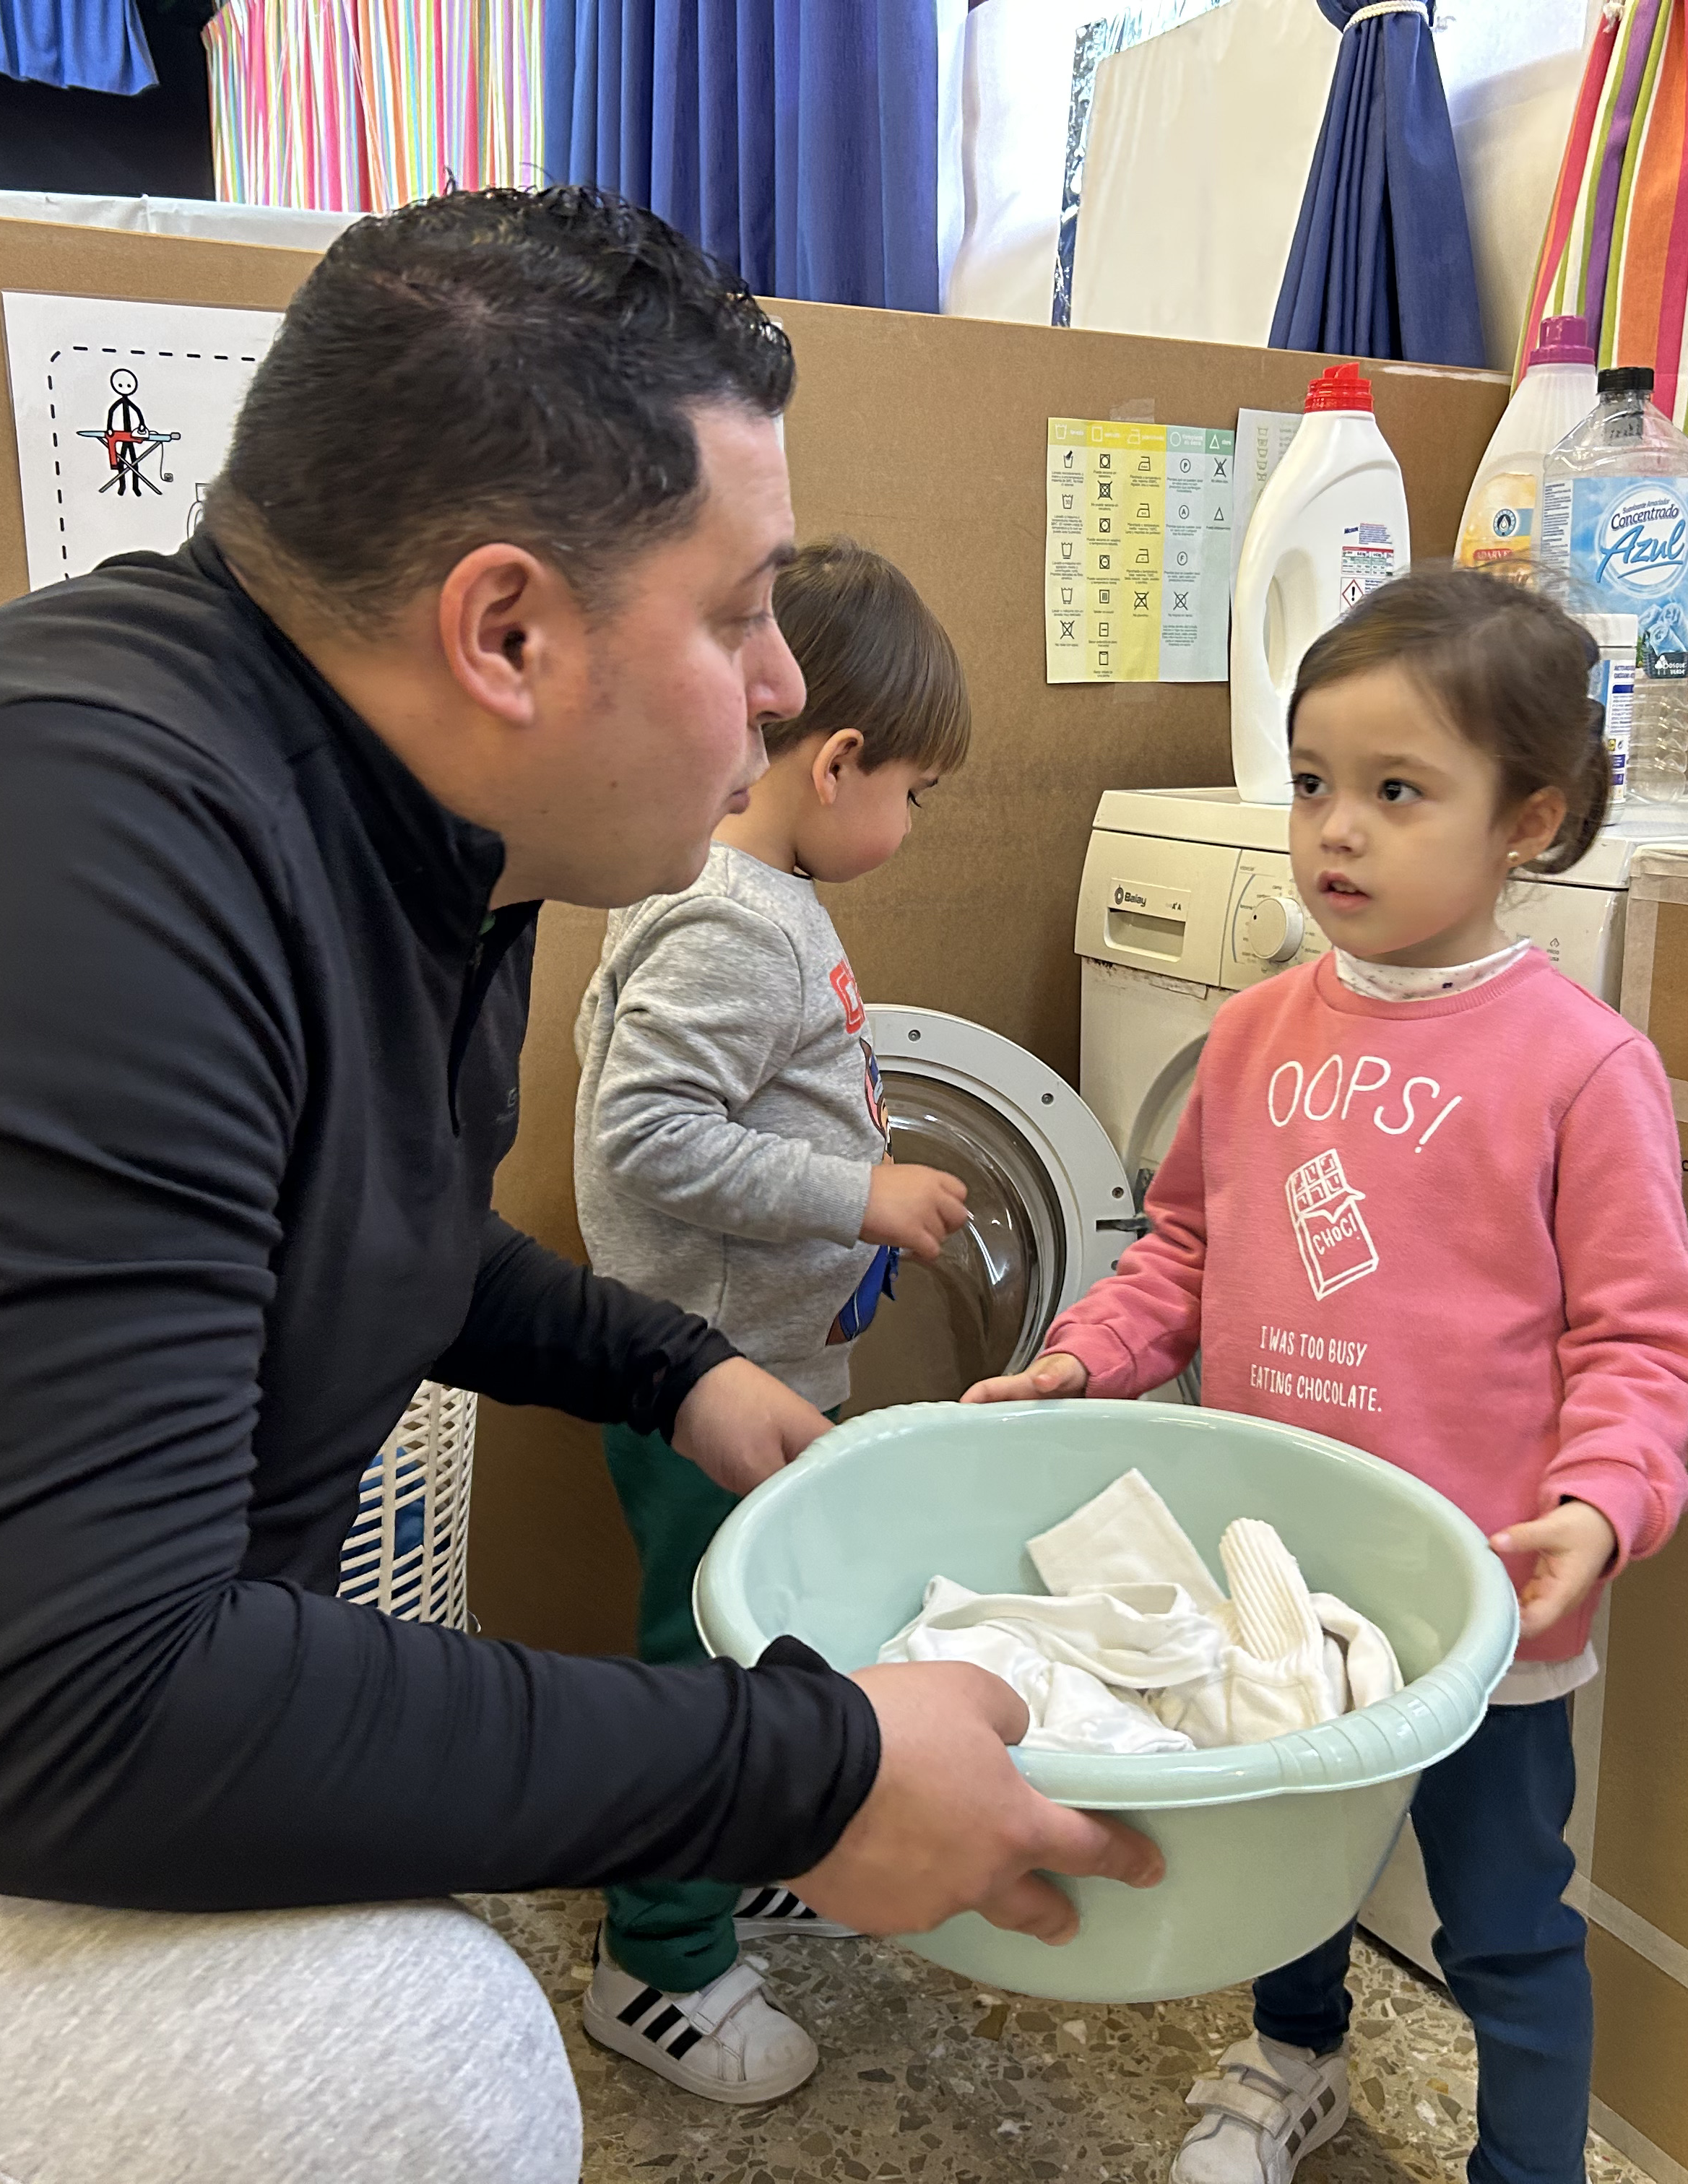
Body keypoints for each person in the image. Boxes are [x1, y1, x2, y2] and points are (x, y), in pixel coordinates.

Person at [0, 188, 1155, 2183]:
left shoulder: (419, 838)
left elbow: (334, 1228)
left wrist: (664, 1369)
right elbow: (69, 1720)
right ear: (505, 630)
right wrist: (809, 1775)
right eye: (737, 610)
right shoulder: (66, 852)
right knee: (413, 2063)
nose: (788, 686)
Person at [966, 568, 1688, 2184]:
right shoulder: (1250, 1037)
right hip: (1273, 1575)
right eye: (1314, 784)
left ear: (1529, 820)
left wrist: (1603, 1506)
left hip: (1484, 1606)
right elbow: (1178, 1251)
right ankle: (1294, 2057)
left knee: (1507, 1923)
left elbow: (1646, 1340)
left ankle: (1530, 2168)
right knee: (1281, 1868)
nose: (1337, 831)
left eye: (1398, 792)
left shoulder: (1583, 1068)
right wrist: (1083, 1360)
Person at [571, 538, 977, 2100]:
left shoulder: (748, 890)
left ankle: (732, 1852)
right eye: (915, 793)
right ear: (839, 760)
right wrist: (856, 1193)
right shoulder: (739, 918)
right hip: (702, 1382)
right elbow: (645, 1136)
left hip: (750, 1364)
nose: (910, 823)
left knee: (756, 1637)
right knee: (701, 1664)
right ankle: (655, 1967)